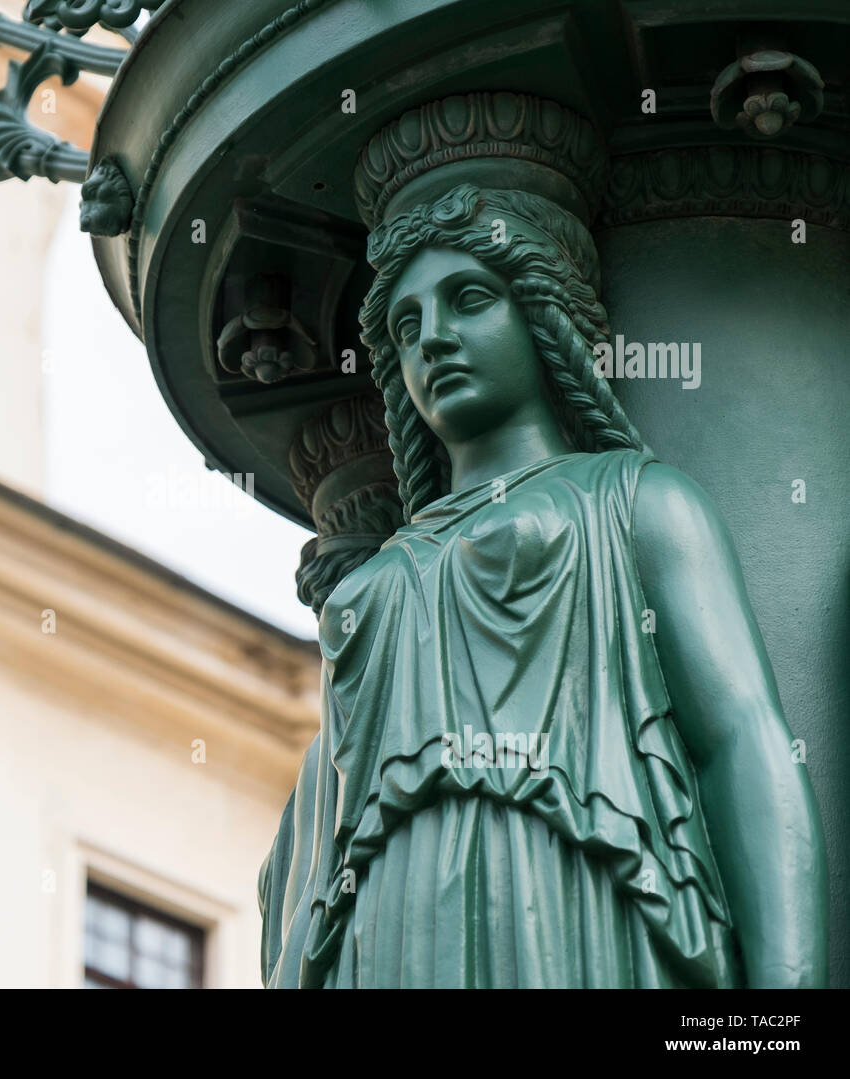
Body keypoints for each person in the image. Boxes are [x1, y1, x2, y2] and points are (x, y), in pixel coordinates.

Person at [258, 183, 827, 989]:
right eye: (407, 325)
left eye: (469, 300)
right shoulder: (377, 578)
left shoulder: (635, 501)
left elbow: (742, 738)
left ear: (542, 315)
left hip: (576, 904)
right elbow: (321, 841)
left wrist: (782, 1004)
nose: (435, 340)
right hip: (387, 934)